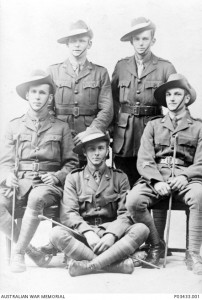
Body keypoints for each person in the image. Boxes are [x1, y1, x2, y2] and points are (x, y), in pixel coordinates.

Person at [0, 70, 78, 273]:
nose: (36, 96)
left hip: (49, 186)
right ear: (27, 95)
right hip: (21, 183)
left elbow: (72, 164)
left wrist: (57, 176)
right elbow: (4, 162)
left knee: (36, 197)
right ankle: (32, 251)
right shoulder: (14, 126)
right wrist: (7, 177)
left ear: (50, 97)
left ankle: (18, 254)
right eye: (33, 92)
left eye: (42, 92)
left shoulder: (61, 127)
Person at [126, 73, 202, 274]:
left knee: (199, 196)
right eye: (169, 94)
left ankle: (193, 253)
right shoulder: (153, 125)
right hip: (157, 177)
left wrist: (185, 176)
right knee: (133, 200)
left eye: (177, 94)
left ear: (186, 98)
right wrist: (156, 181)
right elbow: (144, 159)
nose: (172, 98)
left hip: (187, 179)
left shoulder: (199, 127)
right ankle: (156, 245)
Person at [111, 16, 176, 248]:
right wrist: (112, 131)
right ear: (131, 41)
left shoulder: (165, 67)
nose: (140, 43)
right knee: (124, 189)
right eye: (136, 39)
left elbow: (175, 103)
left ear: (153, 40)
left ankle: (154, 243)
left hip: (153, 136)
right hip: (125, 136)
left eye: (145, 38)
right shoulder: (121, 66)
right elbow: (112, 102)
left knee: (154, 187)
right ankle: (128, 242)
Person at [48, 128, 149, 276]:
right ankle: (116, 264)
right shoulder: (73, 178)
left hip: (111, 235)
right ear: (84, 152)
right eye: (92, 149)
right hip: (84, 235)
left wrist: (111, 235)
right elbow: (69, 213)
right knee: (55, 234)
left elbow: (125, 214)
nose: (96, 153)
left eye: (101, 148)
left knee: (142, 229)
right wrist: (88, 233)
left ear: (107, 151)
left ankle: (89, 265)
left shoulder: (120, 177)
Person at [47, 19, 113, 164]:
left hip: (90, 139)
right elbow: (47, 108)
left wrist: (90, 132)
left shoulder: (100, 73)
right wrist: (60, 130)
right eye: (73, 41)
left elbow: (107, 110)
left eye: (82, 41)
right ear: (67, 44)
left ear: (89, 44)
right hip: (59, 137)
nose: (77, 45)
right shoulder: (54, 72)